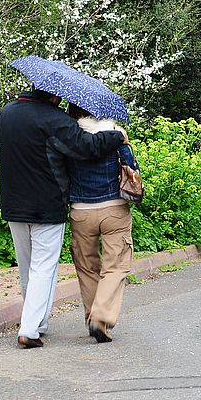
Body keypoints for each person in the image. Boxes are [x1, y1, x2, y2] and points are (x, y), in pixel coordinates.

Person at [0, 87, 126, 349]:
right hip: (47, 204)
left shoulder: (5, 115)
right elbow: (87, 147)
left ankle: (38, 322)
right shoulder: (54, 120)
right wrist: (116, 135)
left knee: (27, 267)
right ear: (53, 96)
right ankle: (29, 329)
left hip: (13, 203)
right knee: (44, 267)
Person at [66, 102, 138, 343]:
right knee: (116, 266)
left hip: (81, 212)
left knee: (86, 266)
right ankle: (101, 317)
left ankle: (92, 318)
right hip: (113, 211)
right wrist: (124, 142)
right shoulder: (115, 137)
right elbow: (132, 170)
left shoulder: (70, 140)